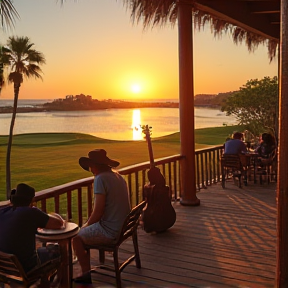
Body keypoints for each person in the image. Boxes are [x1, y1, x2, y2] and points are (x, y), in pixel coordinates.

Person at [72, 149, 131, 284]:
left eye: (91, 166)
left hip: (111, 231)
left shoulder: (100, 179)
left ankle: (86, 274)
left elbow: (98, 212)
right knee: (83, 232)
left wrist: (84, 227)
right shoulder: (118, 177)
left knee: (76, 238)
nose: (90, 169)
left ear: (95, 166)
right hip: (123, 227)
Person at [0, 183, 65, 275]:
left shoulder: (2, 211)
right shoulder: (31, 213)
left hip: (4, 270)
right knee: (57, 250)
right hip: (26, 268)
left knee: (41, 250)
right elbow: (58, 223)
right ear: (31, 201)